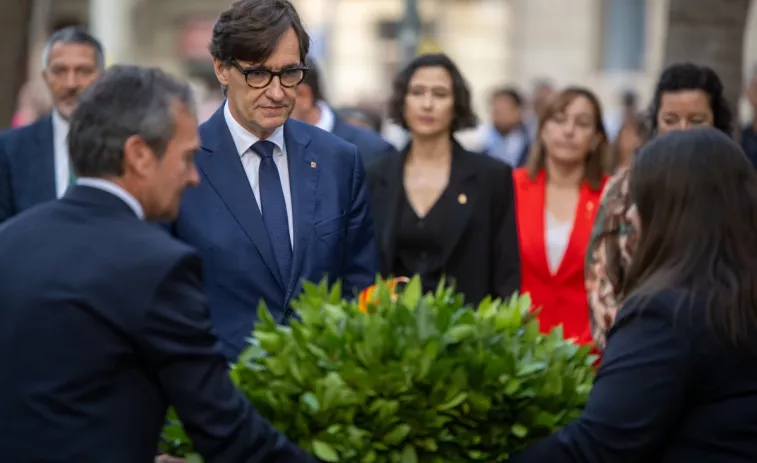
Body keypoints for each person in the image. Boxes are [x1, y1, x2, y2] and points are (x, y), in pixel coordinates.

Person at [0, 65, 316, 463]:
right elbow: (224, 428)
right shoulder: (157, 265)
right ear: (139, 156)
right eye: (185, 158)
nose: (193, 178)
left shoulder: (9, 241)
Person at [511, 127, 757, 462]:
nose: (630, 216)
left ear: (668, 211)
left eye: (638, 202)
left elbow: (598, 445)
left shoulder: (665, 313)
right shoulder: (734, 293)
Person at [168, 0, 379, 360]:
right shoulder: (180, 163)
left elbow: (358, 285)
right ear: (221, 69)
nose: (278, 92)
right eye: (258, 73)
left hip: (323, 392)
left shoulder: (339, 161)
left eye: (290, 73)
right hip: (217, 392)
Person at [585, 63, 733, 349]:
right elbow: (601, 276)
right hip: (639, 342)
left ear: (716, 121)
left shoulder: (738, 185)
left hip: (722, 345)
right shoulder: (625, 186)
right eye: (671, 119)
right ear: (656, 123)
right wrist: (626, 342)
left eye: (696, 119)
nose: (682, 130)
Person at [366, 53, 520, 303]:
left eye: (439, 94)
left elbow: (506, 271)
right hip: (390, 330)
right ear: (403, 101)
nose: (427, 104)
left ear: (456, 104)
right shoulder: (376, 175)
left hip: (470, 332)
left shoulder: (491, 177)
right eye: (417, 92)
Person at [514, 87, 609, 345]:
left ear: (596, 138)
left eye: (582, 123)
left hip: (588, 350)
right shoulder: (512, 188)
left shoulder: (612, 197)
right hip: (517, 346)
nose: (569, 131)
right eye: (559, 119)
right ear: (543, 130)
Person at [0, 27, 104, 223]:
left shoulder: (127, 146)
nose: (71, 83)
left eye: (83, 71)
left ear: (102, 77)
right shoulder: (10, 150)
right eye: (60, 71)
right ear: (45, 77)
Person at [291, 56, 398, 167]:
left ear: (303, 95)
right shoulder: (275, 148)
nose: (274, 96)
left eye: (280, 90)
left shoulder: (373, 153)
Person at [482, 87, 531, 168]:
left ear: (518, 112)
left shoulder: (531, 152)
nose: (498, 116)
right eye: (496, 111)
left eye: (504, 110)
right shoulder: (485, 151)